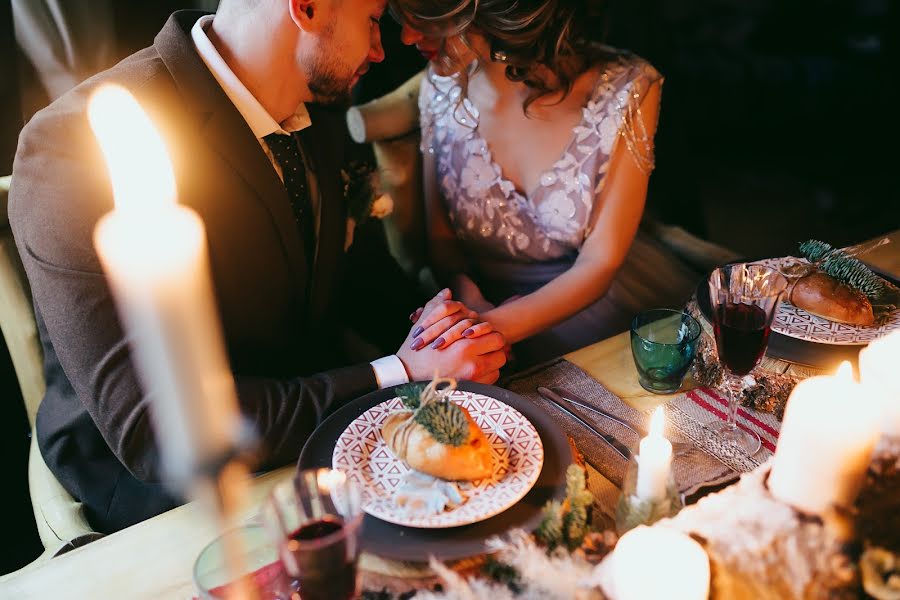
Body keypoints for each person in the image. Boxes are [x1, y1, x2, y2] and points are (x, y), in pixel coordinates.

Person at [8, 0, 506, 533]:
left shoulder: (317, 100)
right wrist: (400, 373)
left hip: (317, 418)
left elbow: (356, 277)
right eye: (372, 21)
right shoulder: (72, 151)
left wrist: (440, 328)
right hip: (166, 493)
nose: (382, 49)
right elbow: (157, 431)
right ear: (308, 9)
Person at [390, 0, 700, 366]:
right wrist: (471, 305)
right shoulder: (440, 87)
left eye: (425, 16)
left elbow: (599, 264)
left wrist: (490, 328)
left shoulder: (629, 87)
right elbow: (441, 243)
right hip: (476, 309)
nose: (406, 36)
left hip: (596, 312)